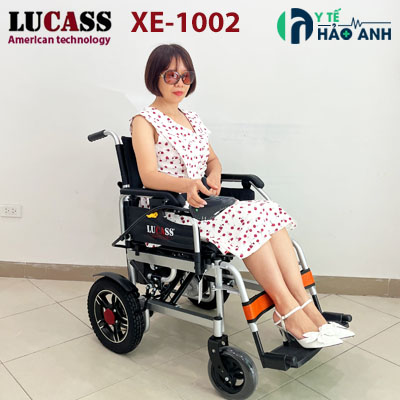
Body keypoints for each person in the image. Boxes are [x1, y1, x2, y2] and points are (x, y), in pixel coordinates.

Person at [130, 43, 354, 349]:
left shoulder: (191, 119)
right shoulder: (144, 121)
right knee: (248, 220)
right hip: (171, 212)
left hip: (204, 205)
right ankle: (287, 310)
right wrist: (188, 184)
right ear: (154, 76)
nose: (180, 83)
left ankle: (307, 307)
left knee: (269, 212)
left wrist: (214, 174)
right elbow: (148, 176)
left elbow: (213, 160)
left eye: (186, 76)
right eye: (171, 75)